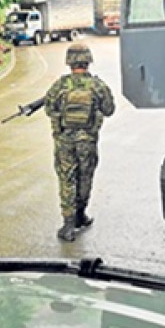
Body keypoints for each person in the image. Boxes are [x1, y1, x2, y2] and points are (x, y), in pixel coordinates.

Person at [43, 43, 115, 242]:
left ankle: (68, 224)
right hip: (87, 141)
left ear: (69, 62)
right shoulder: (97, 86)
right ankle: (80, 215)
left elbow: (49, 109)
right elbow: (109, 109)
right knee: (85, 177)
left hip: (64, 141)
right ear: (88, 61)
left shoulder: (60, 85)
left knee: (67, 179)